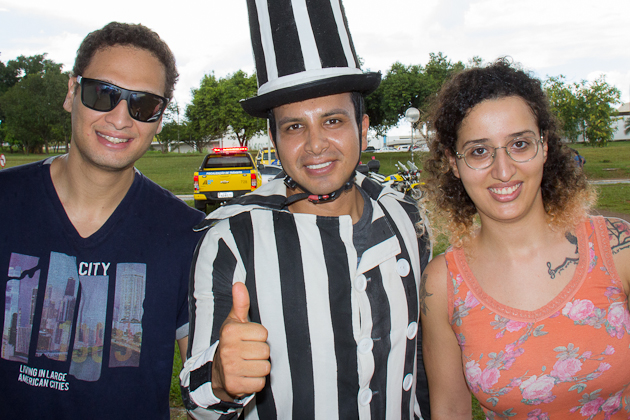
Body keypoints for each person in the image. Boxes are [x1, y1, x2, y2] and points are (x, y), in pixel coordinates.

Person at [179, 1, 432, 419]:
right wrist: (223, 379)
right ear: (274, 140)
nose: (315, 145)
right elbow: (199, 402)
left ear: (362, 128)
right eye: (294, 126)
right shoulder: (231, 238)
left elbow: (423, 363)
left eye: (332, 121)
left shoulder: (407, 218)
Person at [0, 22, 204, 419]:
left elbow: (206, 387)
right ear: (72, 92)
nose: (120, 118)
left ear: (159, 119)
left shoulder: (188, 235)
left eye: (143, 105)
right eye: (103, 94)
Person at [420, 58, 630, 419]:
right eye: (479, 151)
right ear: (454, 164)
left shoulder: (617, 247)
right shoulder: (443, 285)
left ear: (545, 147)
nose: (503, 171)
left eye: (519, 144)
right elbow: (451, 409)